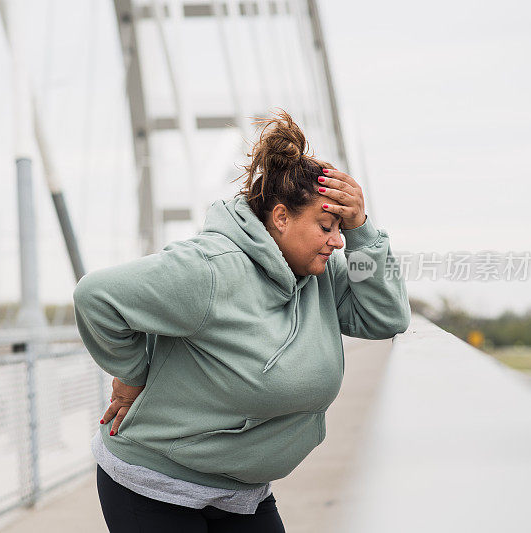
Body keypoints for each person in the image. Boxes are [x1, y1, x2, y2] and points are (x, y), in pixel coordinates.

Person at [73, 108, 411, 532]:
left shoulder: (319, 273)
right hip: (155, 484)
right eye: (327, 226)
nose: (336, 240)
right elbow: (96, 296)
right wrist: (132, 372)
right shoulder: (211, 269)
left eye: (341, 230)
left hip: (242, 492)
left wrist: (363, 236)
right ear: (281, 217)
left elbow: (386, 316)